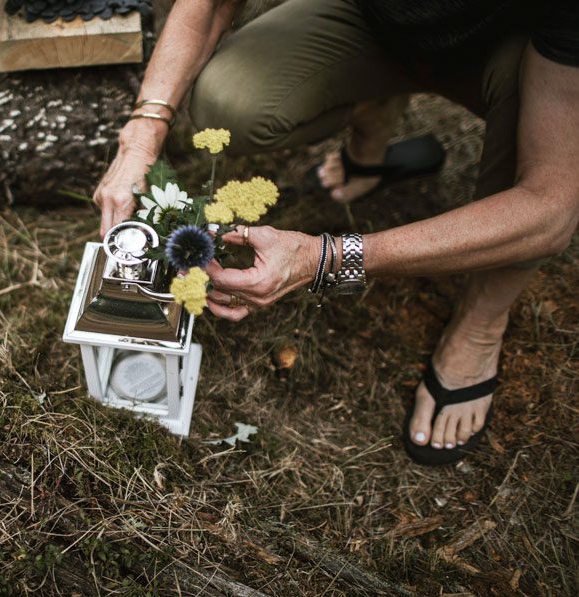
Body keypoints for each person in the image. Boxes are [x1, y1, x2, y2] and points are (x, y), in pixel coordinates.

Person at [92, 0, 579, 465]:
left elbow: (549, 208)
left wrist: (326, 257)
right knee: (229, 100)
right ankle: (376, 120)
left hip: (522, 52)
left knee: (530, 149)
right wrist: (142, 132)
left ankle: (482, 321)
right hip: (379, 19)